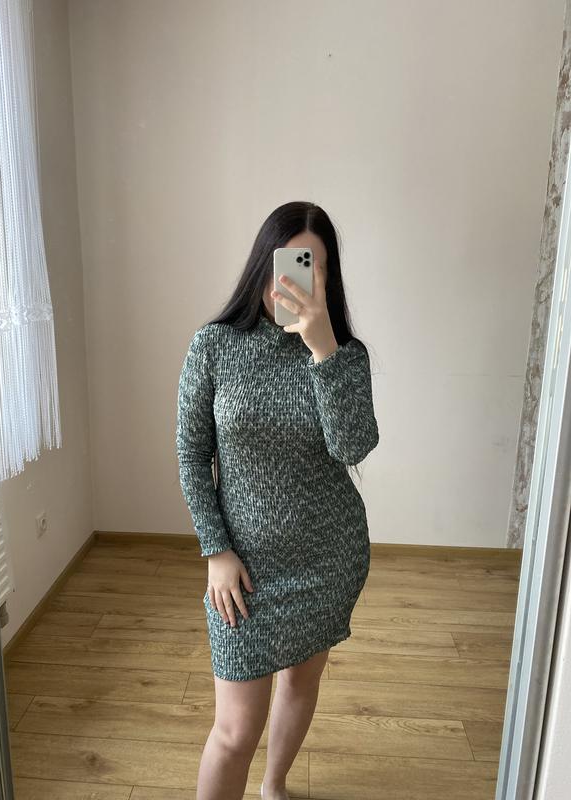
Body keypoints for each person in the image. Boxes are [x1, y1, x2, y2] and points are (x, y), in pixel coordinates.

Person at [176, 201, 380, 800]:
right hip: (242, 573)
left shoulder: (345, 356)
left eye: (310, 267)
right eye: (287, 262)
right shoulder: (213, 346)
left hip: (327, 560)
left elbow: (352, 446)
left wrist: (324, 351)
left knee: (299, 683)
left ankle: (275, 786)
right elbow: (191, 454)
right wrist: (216, 550)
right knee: (234, 731)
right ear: (262, 265)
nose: (292, 281)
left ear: (327, 278)